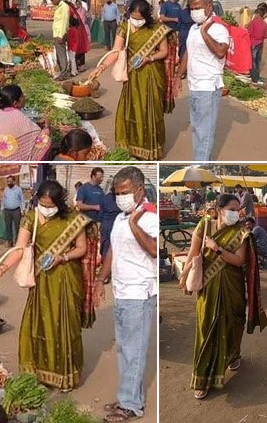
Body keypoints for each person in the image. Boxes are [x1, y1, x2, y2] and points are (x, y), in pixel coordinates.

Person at [0, 180, 96, 391]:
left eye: (50, 204)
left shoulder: (73, 219)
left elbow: (81, 248)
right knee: (38, 324)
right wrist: (0, 270)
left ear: (59, 203)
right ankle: (38, 374)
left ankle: (64, 376)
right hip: (41, 280)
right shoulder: (31, 217)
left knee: (64, 325)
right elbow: (19, 249)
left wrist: (62, 257)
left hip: (66, 279)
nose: (46, 208)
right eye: (42, 204)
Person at [178, 193, 267, 399]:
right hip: (207, 288)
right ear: (219, 210)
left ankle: (233, 356)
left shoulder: (241, 233)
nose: (236, 213)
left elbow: (238, 260)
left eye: (238, 210)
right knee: (205, 328)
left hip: (232, 286)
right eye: (232, 210)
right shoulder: (204, 225)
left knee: (232, 324)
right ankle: (202, 378)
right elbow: (193, 252)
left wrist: (217, 249)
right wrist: (184, 274)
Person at [95, 167, 158, 421]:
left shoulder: (149, 217)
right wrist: (101, 279)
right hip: (121, 292)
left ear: (139, 190)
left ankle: (131, 406)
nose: (121, 197)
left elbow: (154, 249)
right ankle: (127, 398)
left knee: (134, 351)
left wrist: (134, 224)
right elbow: (112, 250)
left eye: (125, 192)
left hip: (139, 294)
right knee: (124, 350)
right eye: (117, 193)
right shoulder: (122, 217)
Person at [89, 0, 171, 160]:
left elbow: (164, 51)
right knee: (131, 109)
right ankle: (130, 148)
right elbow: (115, 51)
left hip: (152, 74)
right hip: (133, 76)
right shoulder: (124, 27)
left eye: (140, 18)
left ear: (146, 16)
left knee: (151, 110)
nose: (137, 21)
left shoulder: (157, 28)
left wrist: (149, 58)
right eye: (134, 17)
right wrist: (101, 68)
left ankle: (150, 149)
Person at [173, 0, 231, 162]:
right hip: (195, 85)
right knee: (197, 129)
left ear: (208, 5)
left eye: (197, 7)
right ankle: (203, 162)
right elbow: (187, 54)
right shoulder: (193, 29)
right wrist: (178, 76)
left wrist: (205, 33)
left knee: (204, 132)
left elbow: (221, 51)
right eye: (191, 8)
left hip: (208, 86)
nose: (194, 12)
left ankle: (200, 168)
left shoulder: (219, 29)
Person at [0, 85, 51, 161]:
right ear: (15, 103)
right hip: (9, 164)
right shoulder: (18, 116)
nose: (24, 97)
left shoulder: (0, 114)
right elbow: (40, 140)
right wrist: (46, 127)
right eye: (22, 96)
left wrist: (37, 125)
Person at [50, 0, 71, 80]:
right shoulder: (58, 7)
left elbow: (65, 22)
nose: (52, 2)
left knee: (62, 54)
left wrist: (61, 35)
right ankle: (62, 72)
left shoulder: (64, 7)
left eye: (52, 0)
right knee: (58, 54)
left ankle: (64, 73)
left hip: (60, 34)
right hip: (57, 33)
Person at [247, 4, 267, 83]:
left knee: (252, 60)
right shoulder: (264, 24)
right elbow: (265, 35)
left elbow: (249, 33)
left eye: (255, 14)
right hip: (260, 44)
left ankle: (254, 77)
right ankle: (256, 76)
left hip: (253, 43)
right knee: (257, 60)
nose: (254, 16)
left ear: (258, 14)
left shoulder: (254, 22)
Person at [100, 184, 122, 259]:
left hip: (106, 226)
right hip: (115, 227)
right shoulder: (121, 199)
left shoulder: (105, 198)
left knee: (106, 251)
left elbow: (100, 214)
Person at [1, 175, 24, 247]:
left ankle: (17, 242)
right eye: (7, 181)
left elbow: (22, 200)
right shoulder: (6, 189)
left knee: (17, 227)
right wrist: (2, 208)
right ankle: (10, 242)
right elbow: (3, 199)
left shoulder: (18, 189)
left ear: (14, 181)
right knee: (8, 227)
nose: (9, 183)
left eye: (10, 181)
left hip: (16, 210)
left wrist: (23, 210)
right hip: (7, 211)